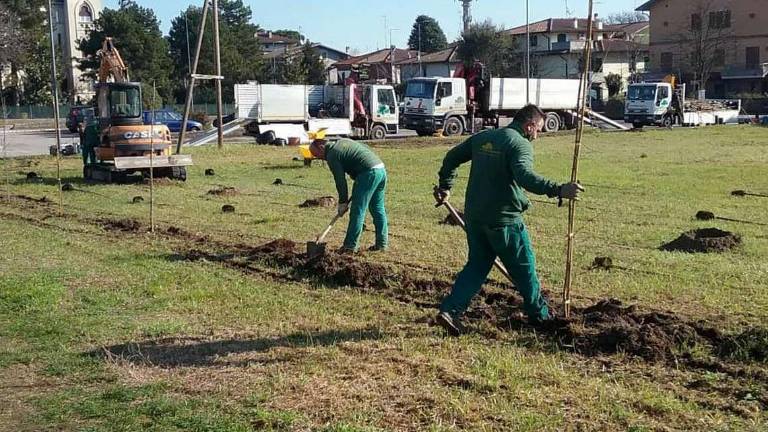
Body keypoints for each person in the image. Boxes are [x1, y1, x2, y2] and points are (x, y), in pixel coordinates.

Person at [433, 104, 584, 334]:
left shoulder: (483, 137)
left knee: (476, 266)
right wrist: (559, 189)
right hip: (504, 221)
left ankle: (451, 311)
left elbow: (452, 157)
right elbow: (526, 177)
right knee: (525, 269)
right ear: (529, 125)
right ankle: (540, 317)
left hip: (475, 217)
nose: (538, 135)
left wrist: (445, 186)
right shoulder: (519, 144)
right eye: (538, 130)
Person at [309, 131, 388, 253]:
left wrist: (342, 202)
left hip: (368, 173)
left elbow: (340, 181)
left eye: (317, 155)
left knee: (358, 210)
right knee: (377, 208)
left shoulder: (332, 155)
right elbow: (363, 151)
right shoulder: (342, 142)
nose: (319, 158)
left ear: (321, 147)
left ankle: (349, 247)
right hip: (380, 169)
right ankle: (381, 244)